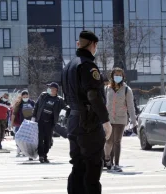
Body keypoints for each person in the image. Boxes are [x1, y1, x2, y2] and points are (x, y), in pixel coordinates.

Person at [62, 30, 112, 194]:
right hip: (88, 124)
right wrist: (105, 120)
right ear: (93, 45)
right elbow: (93, 95)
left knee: (78, 166)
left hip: (74, 121)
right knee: (92, 167)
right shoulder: (87, 65)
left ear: (78, 44)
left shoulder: (69, 66)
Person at [104, 67, 137, 172]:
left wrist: (134, 122)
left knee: (117, 141)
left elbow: (131, 107)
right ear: (112, 76)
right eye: (116, 75)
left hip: (121, 119)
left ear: (123, 77)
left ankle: (116, 164)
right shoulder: (106, 89)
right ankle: (108, 159)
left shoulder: (127, 90)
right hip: (109, 119)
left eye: (120, 75)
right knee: (109, 142)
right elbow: (103, 104)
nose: (117, 77)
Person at [31, 82, 68, 163]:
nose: (49, 89)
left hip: (50, 123)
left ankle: (45, 155)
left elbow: (66, 107)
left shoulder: (59, 100)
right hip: (40, 121)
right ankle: (41, 155)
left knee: (48, 140)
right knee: (40, 139)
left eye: (51, 88)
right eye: (49, 88)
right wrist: (33, 117)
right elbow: (36, 106)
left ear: (55, 90)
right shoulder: (43, 96)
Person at [11, 91, 35, 157]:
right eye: (24, 97)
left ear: (28, 96)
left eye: (26, 97)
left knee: (28, 138)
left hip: (30, 123)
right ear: (21, 97)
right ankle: (19, 149)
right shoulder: (19, 104)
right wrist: (12, 123)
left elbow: (35, 111)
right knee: (19, 137)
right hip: (21, 123)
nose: (25, 98)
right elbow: (14, 114)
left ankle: (26, 151)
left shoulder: (32, 103)